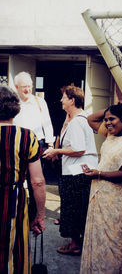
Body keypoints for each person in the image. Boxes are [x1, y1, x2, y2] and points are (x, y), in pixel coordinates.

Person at [80, 103, 122, 274]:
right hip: (101, 198)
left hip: (117, 203)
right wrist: (113, 109)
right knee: (100, 241)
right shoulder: (111, 136)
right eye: (106, 120)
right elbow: (90, 119)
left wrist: (99, 173)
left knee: (113, 244)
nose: (108, 123)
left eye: (113, 119)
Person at [43, 85, 98, 255]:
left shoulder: (77, 122)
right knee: (77, 208)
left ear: (72, 100)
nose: (61, 100)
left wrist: (56, 151)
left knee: (73, 208)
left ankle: (75, 245)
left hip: (76, 173)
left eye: (64, 98)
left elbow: (79, 149)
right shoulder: (76, 120)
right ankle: (78, 243)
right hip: (78, 171)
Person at [0, 86, 46, 274]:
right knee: (15, 248)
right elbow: (37, 182)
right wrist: (40, 216)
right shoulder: (27, 137)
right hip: (14, 200)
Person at [13, 71, 54, 220]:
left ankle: (34, 216)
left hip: (36, 144)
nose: (27, 90)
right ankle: (16, 212)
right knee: (16, 179)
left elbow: (47, 124)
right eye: (24, 87)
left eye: (29, 86)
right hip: (17, 143)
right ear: (17, 87)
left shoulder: (39, 102)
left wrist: (50, 144)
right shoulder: (13, 103)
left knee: (35, 181)